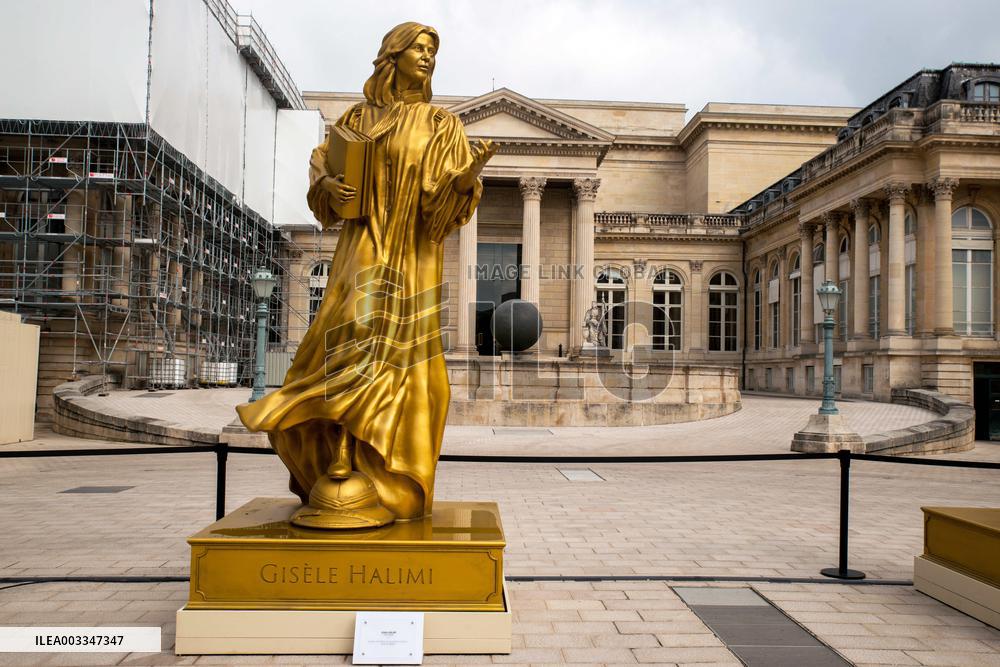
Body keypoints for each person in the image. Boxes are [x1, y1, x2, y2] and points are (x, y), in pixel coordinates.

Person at [237, 22, 496, 525]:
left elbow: (440, 207)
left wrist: (468, 177)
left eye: (432, 50)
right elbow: (323, 173)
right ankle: (333, 451)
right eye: (418, 48)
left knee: (411, 369)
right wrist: (329, 188)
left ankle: (375, 473)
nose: (427, 57)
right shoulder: (356, 118)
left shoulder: (441, 125)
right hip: (364, 248)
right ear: (392, 56)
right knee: (351, 332)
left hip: (413, 260)